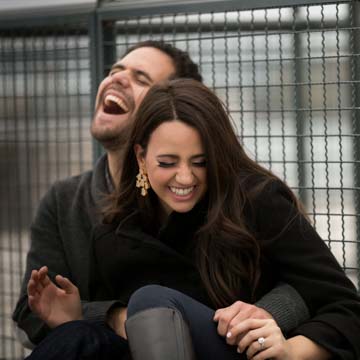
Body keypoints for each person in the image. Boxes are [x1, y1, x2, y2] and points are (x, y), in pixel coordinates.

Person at [26, 79, 360, 360]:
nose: (185, 178)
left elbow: (345, 307)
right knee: (76, 339)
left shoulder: (258, 200)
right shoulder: (115, 228)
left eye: (200, 162)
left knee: (151, 300)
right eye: (168, 162)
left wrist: (288, 350)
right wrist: (81, 316)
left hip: (244, 353)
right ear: (141, 157)